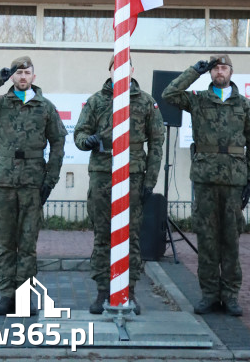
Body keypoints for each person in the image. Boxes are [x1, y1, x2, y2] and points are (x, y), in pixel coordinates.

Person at [162, 54, 250, 317]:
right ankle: (209, 295)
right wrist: (193, 71)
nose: (220, 71)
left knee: (230, 240)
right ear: (211, 72)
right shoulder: (198, 100)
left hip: (233, 181)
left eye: (224, 67)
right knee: (207, 240)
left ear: (231, 72)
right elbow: (169, 94)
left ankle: (230, 296)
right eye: (216, 68)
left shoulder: (244, 105)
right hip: (205, 179)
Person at [0, 56, 66, 316]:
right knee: (6, 242)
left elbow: (58, 144)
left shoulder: (45, 107)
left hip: (33, 182)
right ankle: (5, 293)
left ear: (34, 76)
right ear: (12, 76)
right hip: (5, 181)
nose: (22, 76)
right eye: (18, 72)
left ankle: (24, 297)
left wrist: (50, 180)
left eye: (27, 72)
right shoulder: (0, 104)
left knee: (28, 243)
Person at [74, 55, 165, 315]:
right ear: (111, 71)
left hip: (133, 177)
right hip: (103, 175)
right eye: (116, 67)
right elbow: (79, 133)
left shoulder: (146, 102)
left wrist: (150, 180)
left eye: (125, 66)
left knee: (131, 236)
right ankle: (103, 291)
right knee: (103, 235)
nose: (121, 71)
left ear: (132, 70)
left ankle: (130, 292)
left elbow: (157, 142)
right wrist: (87, 140)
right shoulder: (96, 101)